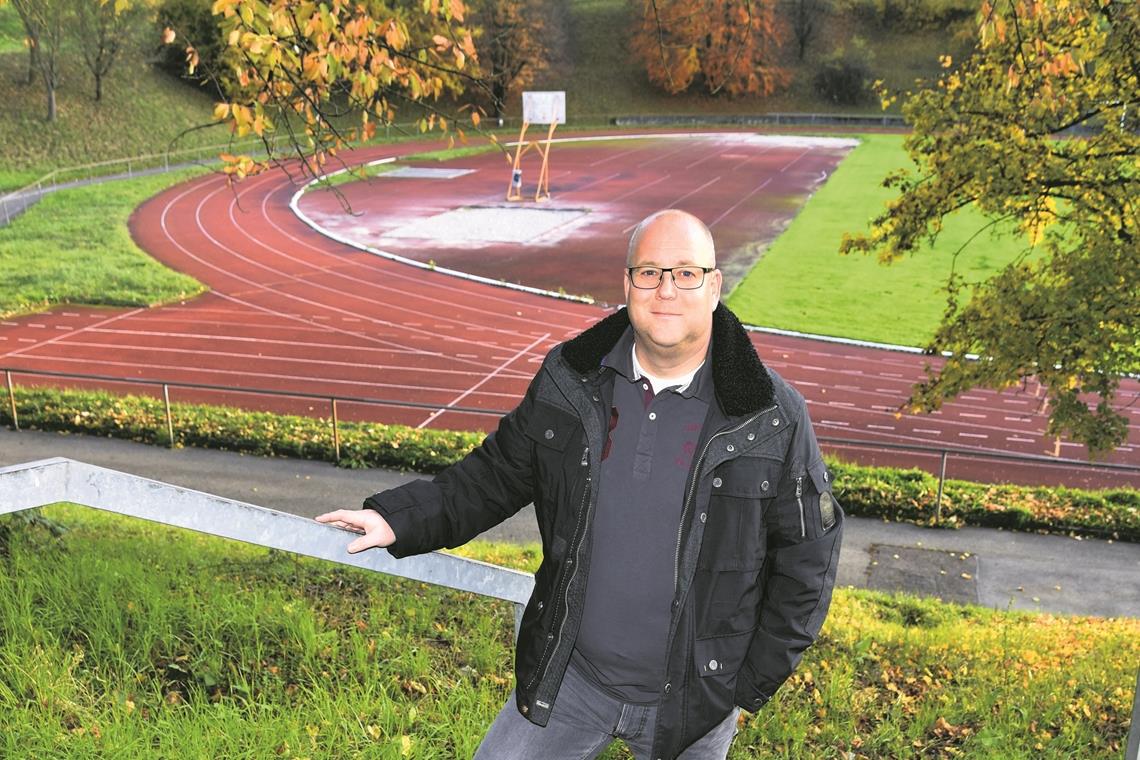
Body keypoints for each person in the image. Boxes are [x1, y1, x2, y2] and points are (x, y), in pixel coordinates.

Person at [316, 209, 844, 759]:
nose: (666, 290)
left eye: (685, 273)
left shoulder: (771, 416)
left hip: (694, 698)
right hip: (573, 675)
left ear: (714, 286)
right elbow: (492, 477)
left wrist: (746, 688)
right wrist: (397, 519)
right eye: (649, 272)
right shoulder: (570, 380)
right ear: (627, 284)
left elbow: (809, 559)